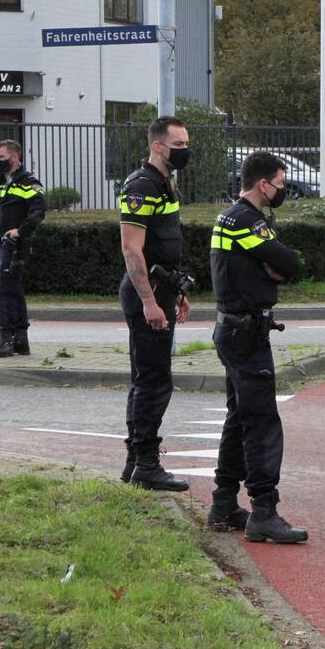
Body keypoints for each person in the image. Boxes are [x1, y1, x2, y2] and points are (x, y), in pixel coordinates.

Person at [209, 151, 306, 543]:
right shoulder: (247, 222)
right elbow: (290, 263)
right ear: (263, 184)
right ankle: (264, 511)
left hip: (231, 330)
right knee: (263, 421)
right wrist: (276, 268)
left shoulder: (228, 217)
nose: (282, 191)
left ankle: (223, 503)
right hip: (245, 333)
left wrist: (272, 267)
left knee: (239, 416)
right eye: (280, 184)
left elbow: (276, 264)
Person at [118, 116, 193, 491]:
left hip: (161, 290)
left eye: (185, 144)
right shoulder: (143, 185)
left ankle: (135, 463)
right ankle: (145, 465)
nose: (184, 150)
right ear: (158, 146)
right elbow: (132, 249)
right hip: (146, 295)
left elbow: (163, 248)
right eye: (178, 145)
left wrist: (175, 291)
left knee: (148, 379)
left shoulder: (164, 185)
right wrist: (150, 301)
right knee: (153, 382)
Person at [0, 139, 46, 358]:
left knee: (5, 291)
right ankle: (21, 340)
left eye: (0, 158)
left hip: (14, 245)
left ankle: (6, 340)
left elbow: (39, 211)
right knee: (14, 289)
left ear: (14, 158)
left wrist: (19, 232)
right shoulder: (1, 181)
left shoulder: (28, 182)